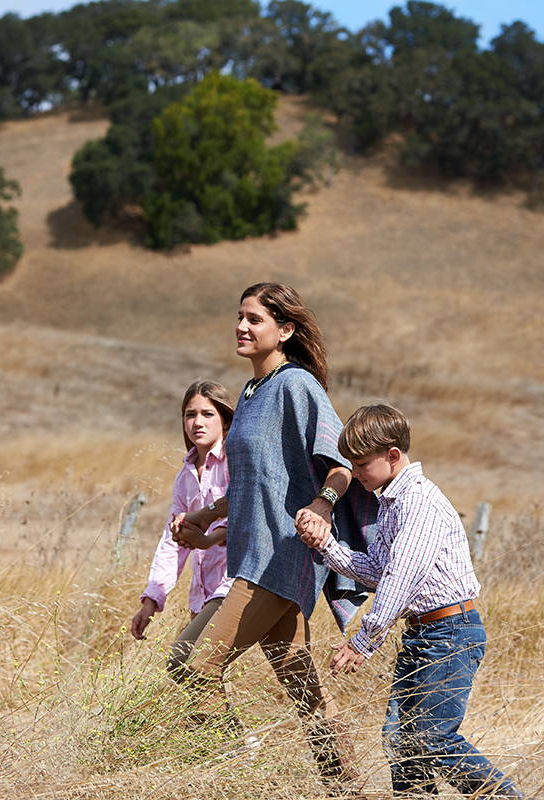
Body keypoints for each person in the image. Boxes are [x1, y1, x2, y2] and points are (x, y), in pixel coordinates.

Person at [171, 282, 376, 794]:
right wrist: (209, 515)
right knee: (306, 693)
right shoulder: (249, 392)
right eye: (240, 317)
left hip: (279, 559)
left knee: (193, 669)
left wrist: (321, 504)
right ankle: (346, 787)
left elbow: (341, 465)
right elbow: (254, 484)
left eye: (255, 319)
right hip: (252, 556)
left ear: (284, 330)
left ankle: (237, 775)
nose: (242, 326)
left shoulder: (296, 385)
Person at [298, 404, 525, 798]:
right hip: (423, 632)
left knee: (432, 739)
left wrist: (363, 640)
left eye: (362, 463)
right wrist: (327, 545)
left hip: (450, 633)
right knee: (401, 744)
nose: (355, 472)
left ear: (392, 456)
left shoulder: (419, 502)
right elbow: (378, 571)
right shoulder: (392, 503)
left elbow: (401, 578)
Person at [130, 380, 234, 678]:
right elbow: (171, 542)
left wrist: (208, 538)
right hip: (202, 593)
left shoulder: (234, 463)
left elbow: (242, 516)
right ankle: (223, 727)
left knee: (184, 664)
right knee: (202, 677)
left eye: (207, 414)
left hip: (231, 584)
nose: (197, 422)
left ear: (225, 419)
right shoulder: (184, 477)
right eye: (190, 415)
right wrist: (151, 601)